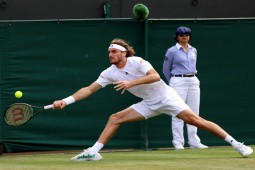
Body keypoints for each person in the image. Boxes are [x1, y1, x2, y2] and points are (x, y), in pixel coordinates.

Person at [53, 38, 253, 161]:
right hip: (148, 104)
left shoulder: (137, 61)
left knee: (195, 121)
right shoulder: (109, 73)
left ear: (123, 52)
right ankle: (94, 152)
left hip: (166, 97)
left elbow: (155, 76)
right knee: (115, 118)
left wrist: (130, 83)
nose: (110, 55)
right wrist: (66, 100)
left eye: (113, 51)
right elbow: (88, 89)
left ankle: (237, 144)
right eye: (109, 52)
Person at [163, 26, 208, 150]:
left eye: (187, 35)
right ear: (177, 37)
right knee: (178, 111)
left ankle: (194, 142)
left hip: (193, 80)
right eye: (182, 35)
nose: (184, 37)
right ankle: (178, 142)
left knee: (194, 112)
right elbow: (166, 69)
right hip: (178, 80)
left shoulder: (194, 50)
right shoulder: (171, 51)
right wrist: (173, 81)